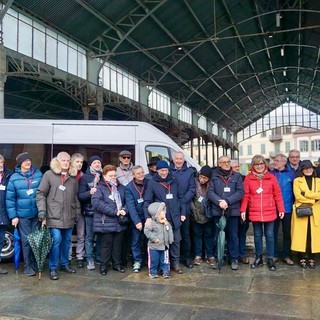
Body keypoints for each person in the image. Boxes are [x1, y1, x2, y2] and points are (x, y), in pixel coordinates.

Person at [36, 152, 80, 280]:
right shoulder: (49, 175)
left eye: (68, 160)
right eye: (63, 160)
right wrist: (42, 211)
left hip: (69, 215)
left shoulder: (73, 177)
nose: (66, 163)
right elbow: (41, 194)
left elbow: (75, 197)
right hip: (53, 215)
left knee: (67, 241)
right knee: (56, 240)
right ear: (58, 161)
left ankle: (65, 264)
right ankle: (53, 267)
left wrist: (77, 212)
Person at [240, 155, 285, 271]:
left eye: (261, 163)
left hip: (269, 212)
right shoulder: (249, 178)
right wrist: (243, 210)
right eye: (256, 164)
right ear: (253, 166)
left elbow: (277, 194)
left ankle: (270, 258)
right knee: (257, 236)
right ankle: (258, 257)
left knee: (270, 236)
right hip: (255, 212)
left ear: (264, 164)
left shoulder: (271, 177)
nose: (259, 166)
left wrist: (281, 209)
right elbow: (246, 195)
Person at [143, 160, 186, 274]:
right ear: (157, 171)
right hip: (161, 219)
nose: (164, 172)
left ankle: (175, 263)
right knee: (162, 242)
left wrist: (183, 213)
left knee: (175, 241)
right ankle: (163, 266)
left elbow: (181, 197)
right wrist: (147, 217)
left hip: (175, 216)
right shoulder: (152, 183)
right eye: (162, 170)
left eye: (166, 170)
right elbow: (147, 201)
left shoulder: (174, 180)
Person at [6, 152, 43, 276]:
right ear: (20, 163)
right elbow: (10, 200)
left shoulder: (38, 175)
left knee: (36, 240)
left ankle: (34, 263)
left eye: (29, 160)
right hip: (22, 216)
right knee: (26, 241)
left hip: (36, 215)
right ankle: (27, 266)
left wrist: (43, 214)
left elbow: (43, 194)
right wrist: (13, 216)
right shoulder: (14, 178)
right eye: (25, 161)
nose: (28, 162)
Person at [207, 155, 244, 270]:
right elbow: (210, 192)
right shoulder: (214, 176)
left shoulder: (237, 176)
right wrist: (219, 202)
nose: (227, 164)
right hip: (218, 211)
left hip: (232, 211)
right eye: (224, 162)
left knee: (233, 236)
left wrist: (227, 201)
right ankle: (220, 258)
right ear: (219, 164)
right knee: (219, 236)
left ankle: (234, 259)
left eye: (228, 162)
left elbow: (240, 192)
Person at [91, 164, 129, 276]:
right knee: (106, 245)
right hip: (106, 221)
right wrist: (113, 211)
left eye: (114, 175)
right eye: (110, 175)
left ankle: (117, 264)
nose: (113, 177)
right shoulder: (100, 188)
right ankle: (104, 266)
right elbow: (96, 203)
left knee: (118, 244)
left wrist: (124, 210)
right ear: (104, 176)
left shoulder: (121, 187)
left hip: (119, 221)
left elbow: (128, 201)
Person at [291, 160, 320, 269]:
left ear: (313, 169)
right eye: (306, 168)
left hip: (316, 212)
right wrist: (313, 199)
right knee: (301, 235)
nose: (308, 170)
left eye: (310, 168)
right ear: (302, 170)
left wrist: (306, 194)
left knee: (313, 235)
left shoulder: (318, 180)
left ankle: (312, 257)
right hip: (302, 209)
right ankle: (301, 256)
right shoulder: (297, 181)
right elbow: (298, 196)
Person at [169, 151, 195, 268]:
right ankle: (172, 259)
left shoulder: (189, 172)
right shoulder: (168, 171)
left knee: (185, 235)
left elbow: (192, 189)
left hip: (185, 208)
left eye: (181, 159)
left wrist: (182, 201)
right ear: (173, 159)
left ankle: (187, 258)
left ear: (184, 160)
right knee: (171, 235)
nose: (179, 161)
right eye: (177, 158)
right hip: (171, 209)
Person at [270, 154, 296, 265]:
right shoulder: (270, 174)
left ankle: (286, 255)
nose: (275, 162)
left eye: (277, 160)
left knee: (287, 233)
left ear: (284, 162)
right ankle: (274, 254)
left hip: (287, 208)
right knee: (272, 233)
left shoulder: (292, 174)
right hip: (273, 208)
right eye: (274, 160)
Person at [78, 155, 102, 270]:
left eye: (99, 162)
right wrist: (90, 192)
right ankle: (89, 259)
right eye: (95, 163)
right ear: (91, 165)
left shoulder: (103, 176)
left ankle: (98, 257)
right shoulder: (85, 178)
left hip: (102, 212)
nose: (97, 164)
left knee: (101, 236)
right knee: (89, 237)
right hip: (90, 211)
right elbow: (80, 196)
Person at [190, 165, 215, 266]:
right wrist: (193, 210)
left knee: (209, 236)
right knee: (197, 236)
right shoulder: (193, 182)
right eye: (201, 177)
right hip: (195, 215)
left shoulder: (211, 185)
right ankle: (198, 255)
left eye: (205, 178)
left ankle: (210, 255)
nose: (202, 179)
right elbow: (190, 199)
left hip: (208, 215)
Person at [125, 165, 148, 272]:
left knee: (149, 240)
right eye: (138, 173)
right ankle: (137, 261)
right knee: (136, 240)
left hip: (148, 217)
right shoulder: (129, 187)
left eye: (142, 172)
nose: (141, 175)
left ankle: (149, 260)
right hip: (137, 218)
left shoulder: (148, 183)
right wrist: (137, 221)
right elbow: (130, 206)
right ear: (133, 175)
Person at [144, 202, 173, 279]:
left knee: (165, 260)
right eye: (162, 211)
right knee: (154, 260)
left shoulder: (166, 222)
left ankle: (165, 271)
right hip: (154, 246)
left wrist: (170, 240)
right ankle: (152, 272)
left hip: (164, 246)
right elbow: (147, 231)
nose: (164, 212)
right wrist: (154, 238)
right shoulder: (151, 223)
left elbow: (169, 230)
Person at [230, 159, 249, 264]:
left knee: (242, 234)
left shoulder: (244, 178)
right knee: (233, 235)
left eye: (238, 166)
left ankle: (242, 254)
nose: (237, 168)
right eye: (235, 167)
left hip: (243, 210)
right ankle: (233, 255)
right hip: (232, 210)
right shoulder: (228, 178)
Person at [70, 153, 85, 268]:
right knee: (68, 235)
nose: (79, 164)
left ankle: (80, 256)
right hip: (69, 209)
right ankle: (68, 256)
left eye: (81, 162)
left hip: (81, 209)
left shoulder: (83, 176)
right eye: (77, 162)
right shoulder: (68, 175)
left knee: (81, 234)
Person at [0, 154, 13, 274]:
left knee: (0, 240)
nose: (0, 165)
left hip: (3, 213)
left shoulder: (9, 175)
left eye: (1, 163)